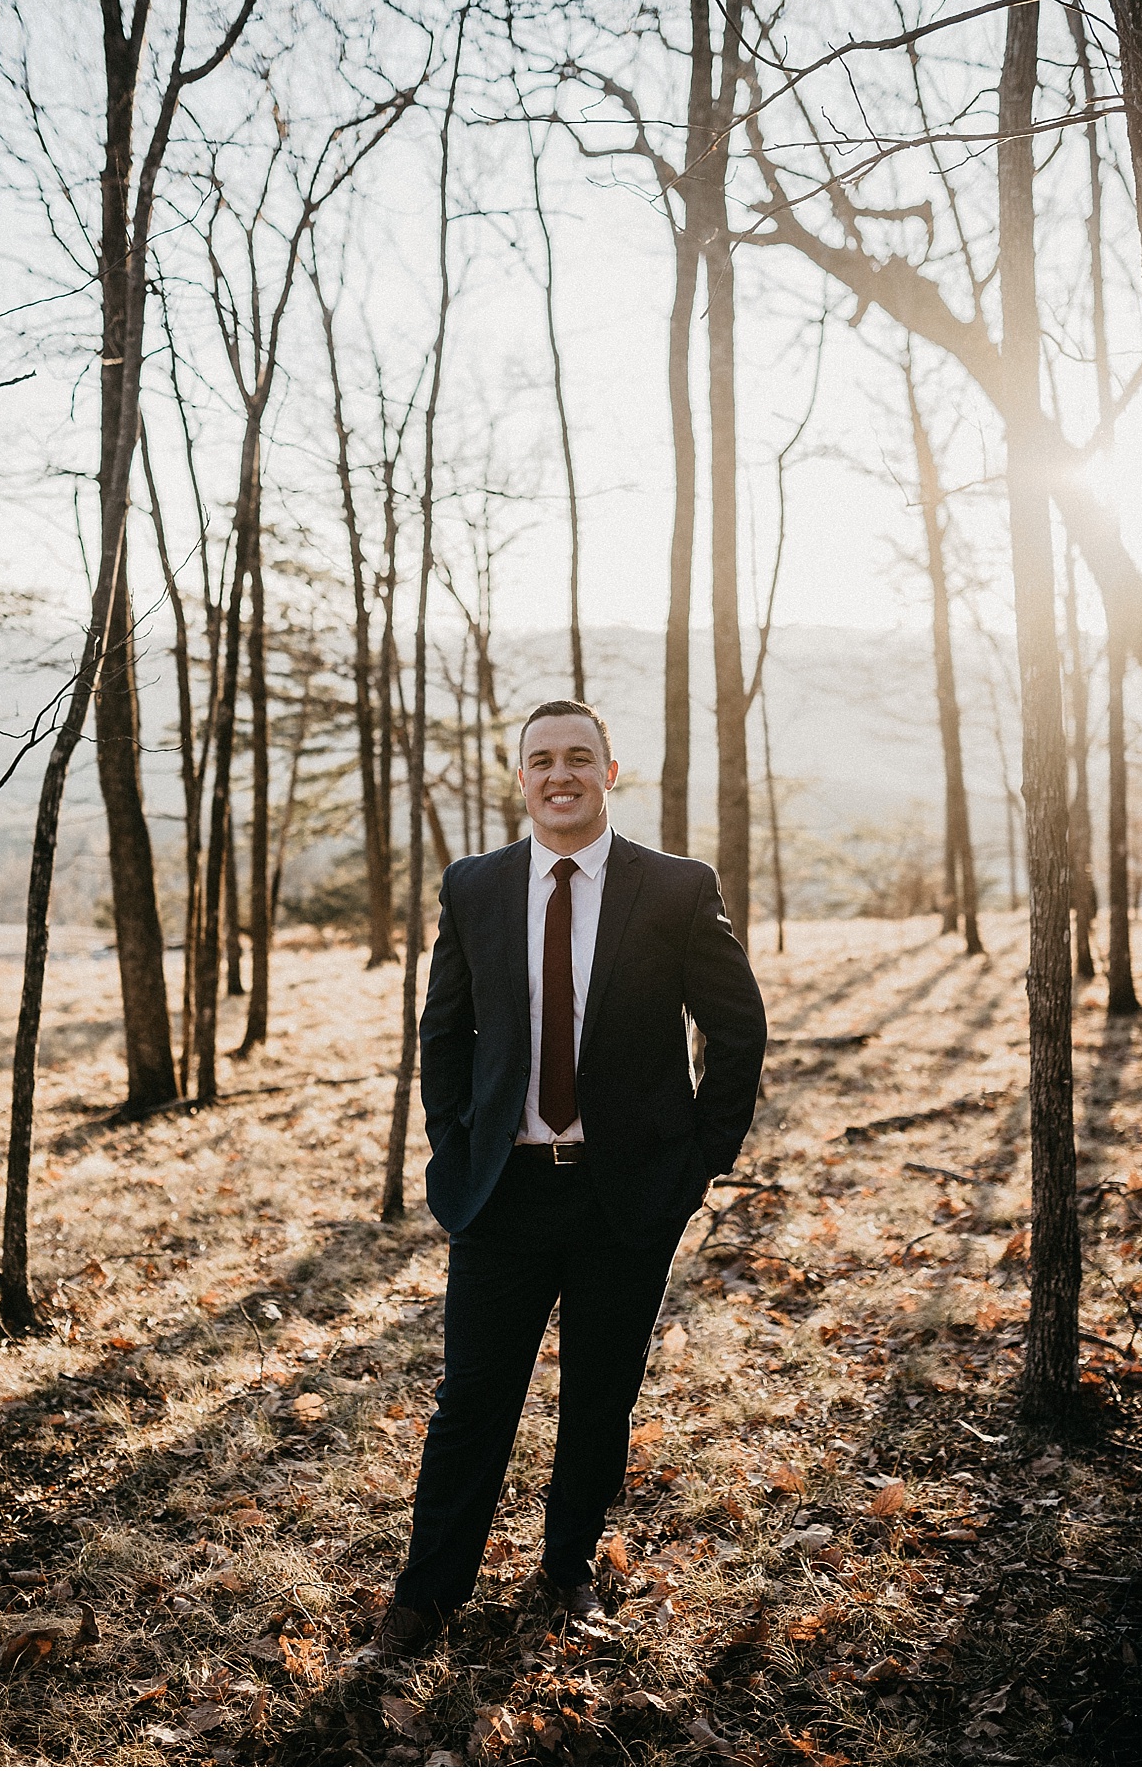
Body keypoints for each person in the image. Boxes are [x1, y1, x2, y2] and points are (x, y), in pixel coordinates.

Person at [373, 698, 767, 1657]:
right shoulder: (474, 885)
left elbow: (738, 1027)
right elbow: (445, 1032)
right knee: (473, 1397)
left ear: (609, 771)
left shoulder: (674, 888)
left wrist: (698, 1161)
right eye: (542, 759)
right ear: (520, 778)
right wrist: (455, 1143)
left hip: (624, 1193)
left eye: (579, 758)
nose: (561, 774)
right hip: (502, 1189)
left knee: (599, 1394)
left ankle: (568, 1565)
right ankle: (426, 1595)